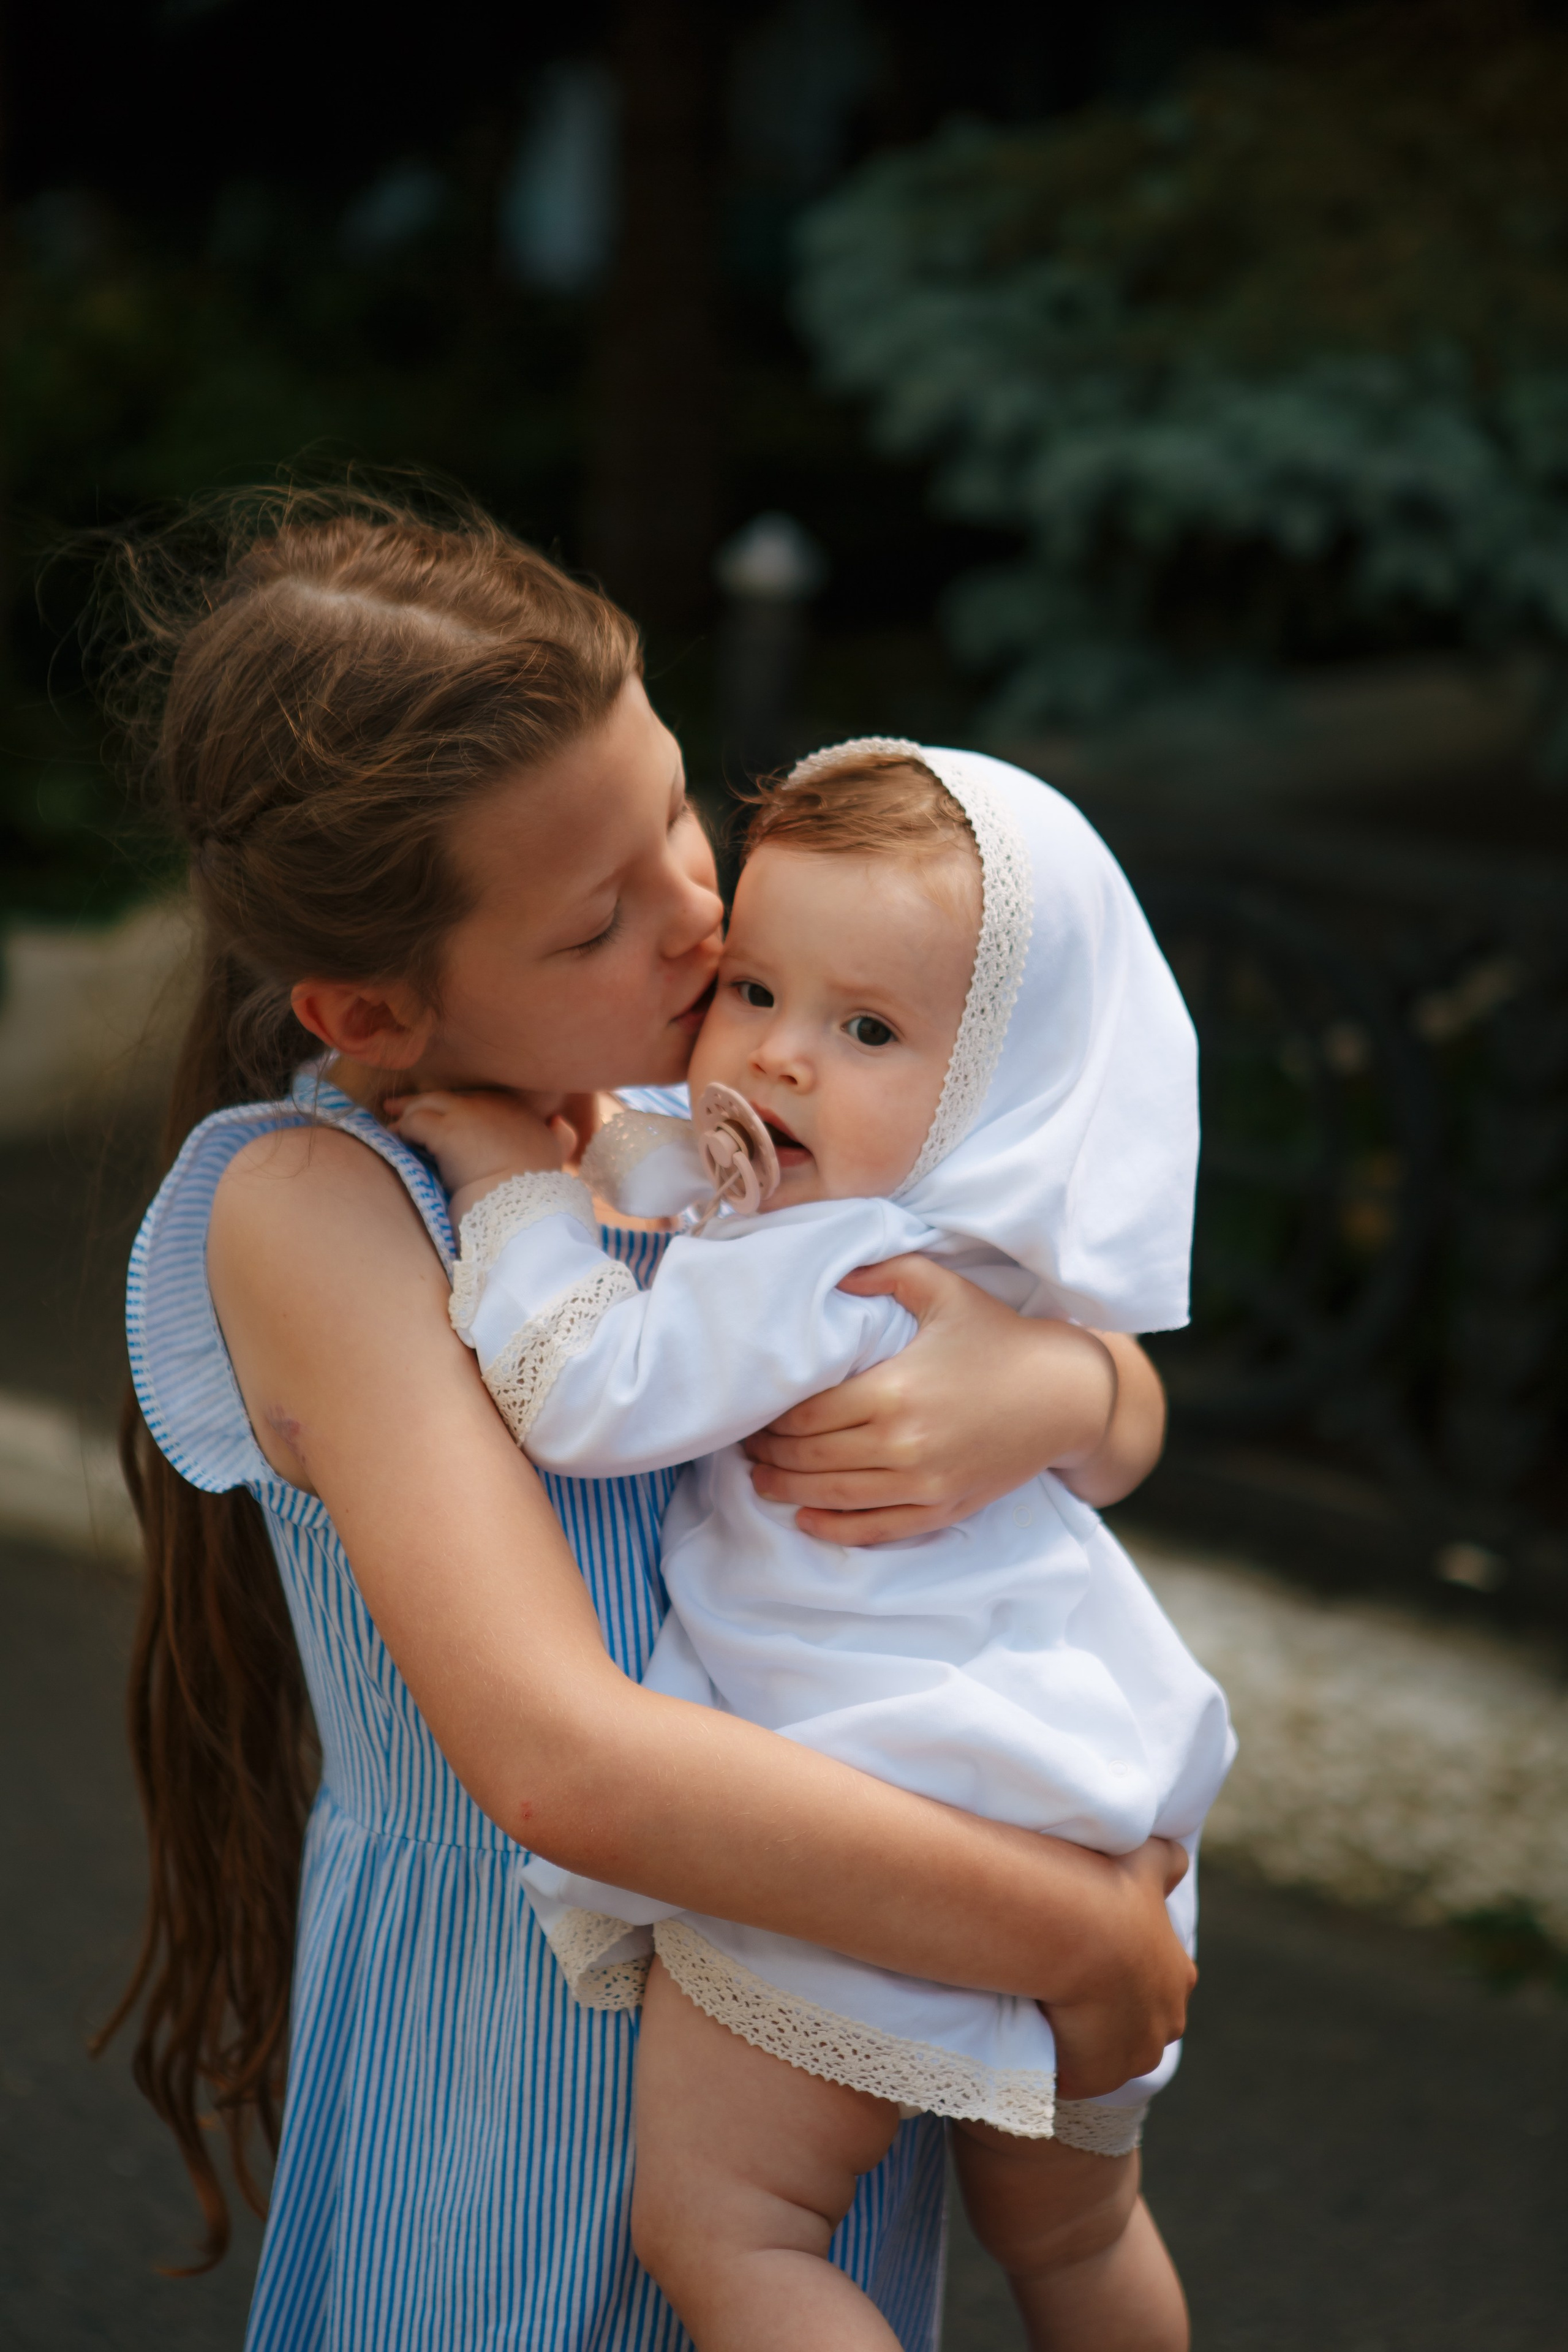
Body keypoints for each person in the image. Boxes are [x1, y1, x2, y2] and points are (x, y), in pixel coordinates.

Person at [107, 486, 1195, 2351]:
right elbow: (565, 1770)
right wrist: (1084, 1941)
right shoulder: (326, 1208)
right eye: (605, 912)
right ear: (373, 1004)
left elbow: (1055, 1371)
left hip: (823, 1984)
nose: (704, 914)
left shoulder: (702, 1128)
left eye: (682, 807)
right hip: (519, 2063)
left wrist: (1069, 1386)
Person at [393, 740, 1232, 2351]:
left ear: (1000, 1076)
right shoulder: (995, 1253)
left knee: (733, 2235)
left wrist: (504, 1173)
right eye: (756, 990)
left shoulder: (837, 1258)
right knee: (1074, 2240)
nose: (775, 1061)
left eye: (865, 1029)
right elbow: (666, 1166)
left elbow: (586, 1384)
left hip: (883, 1813)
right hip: (1092, 1807)